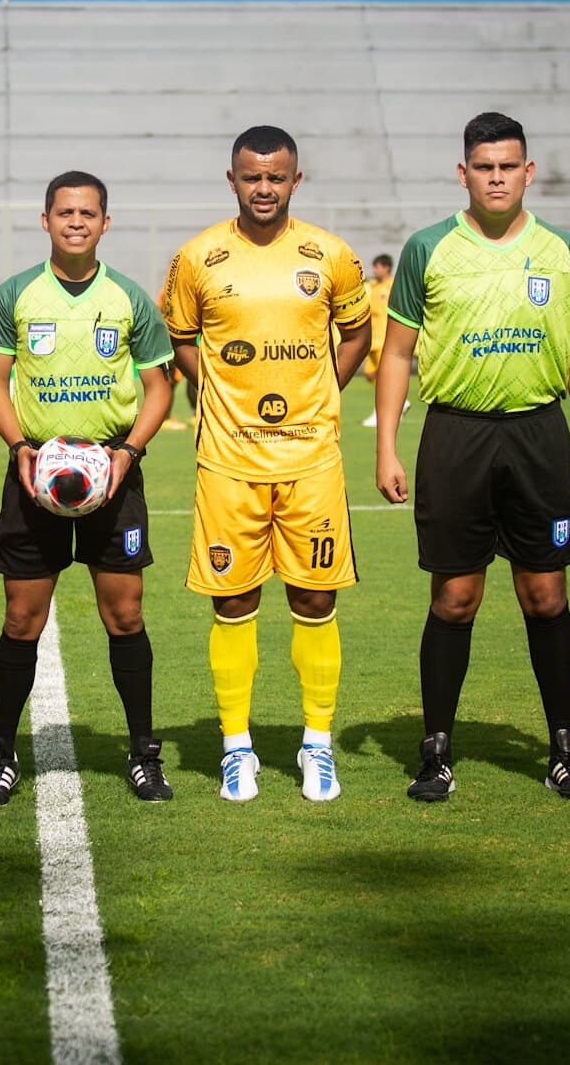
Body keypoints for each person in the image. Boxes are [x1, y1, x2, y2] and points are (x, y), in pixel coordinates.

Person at [375, 111, 570, 803]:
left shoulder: (563, 251)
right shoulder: (427, 249)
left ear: (528, 171)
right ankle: (436, 752)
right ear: (464, 174)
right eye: (484, 167)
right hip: (456, 436)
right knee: (455, 598)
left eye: (509, 166)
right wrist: (387, 446)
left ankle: (564, 750)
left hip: (540, 436)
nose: (497, 178)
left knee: (547, 595)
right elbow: (397, 354)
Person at [162, 125, 370, 802]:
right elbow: (181, 338)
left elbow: (358, 331)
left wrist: (325, 389)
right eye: (251, 176)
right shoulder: (198, 256)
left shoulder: (331, 254)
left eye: (276, 177)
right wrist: (216, 391)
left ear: (295, 181)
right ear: (232, 180)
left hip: (311, 458)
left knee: (315, 598)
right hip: (229, 460)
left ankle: (317, 745)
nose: (263, 187)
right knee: (234, 600)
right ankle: (236, 748)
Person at [0, 171, 175, 807]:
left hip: (112, 476)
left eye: (88, 213)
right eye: (65, 212)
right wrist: (20, 449)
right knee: (21, 618)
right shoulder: (14, 295)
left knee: (126, 615)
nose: (76, 222)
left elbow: (160, 388)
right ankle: (1, 756)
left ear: (105, 223)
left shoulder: (130, 299)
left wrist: (127, 453)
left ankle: (143, 753)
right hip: (35, 473)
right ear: (46, 221)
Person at [359, 252, 395, 428]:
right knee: (369, 374)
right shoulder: (373, 286)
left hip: (386, 339)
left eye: (377, 267)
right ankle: (400, 404)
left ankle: (381, 413)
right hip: (373, 339)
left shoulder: (393, 286)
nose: (374, 270)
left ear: (386, 268)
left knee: (384, 379)